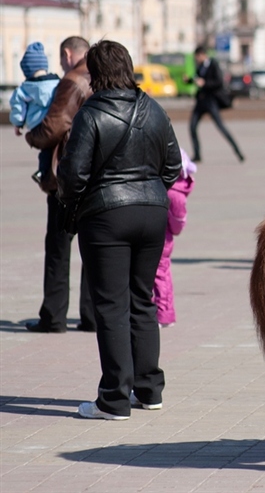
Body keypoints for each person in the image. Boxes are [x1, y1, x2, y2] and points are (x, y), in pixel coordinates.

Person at [57, 40, 181, 420]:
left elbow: (73, 174)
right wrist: (147, 187)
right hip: (152, 212)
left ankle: (113, 398)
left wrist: (73, 205)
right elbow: (174, 166)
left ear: (95, 73)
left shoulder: (91, 114)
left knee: (111, 305)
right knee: (142, 300)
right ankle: (149, 390)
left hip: (106, 216)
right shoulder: (154, 109)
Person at [24, 36, 94, 334]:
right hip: (98, 174)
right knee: (93, 246)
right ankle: (92, 316)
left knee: (58, 246)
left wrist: (31, 135)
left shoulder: (73, 79)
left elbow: (55, 125)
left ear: (67, 54)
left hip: (69, 175)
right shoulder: (103, 75)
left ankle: (54, 316)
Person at [153, 149, 196, 329]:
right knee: (161, 275)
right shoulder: (176, 189)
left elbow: (178, 222)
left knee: (158, 276)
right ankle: (164, 313)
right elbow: (178, 222)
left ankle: (162, 314)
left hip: (160, 238)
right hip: (164, 237)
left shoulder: (172, 190)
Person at [10, 42, 60, 184]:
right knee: (53, 148)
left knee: (44, 150)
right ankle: (51, 170)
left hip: (36, 125)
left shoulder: (25, 88)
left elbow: (18, 107)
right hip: (53, 123)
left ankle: (42, 171)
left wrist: (18, 123)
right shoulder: (57, 83)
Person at [188, 45, 243, 163]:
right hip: (200, 102)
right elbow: (198, 80)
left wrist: (205, 83)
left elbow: (218, 82)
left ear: (202, 55)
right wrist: (189, 80)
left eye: (197, 57)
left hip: (211, 101)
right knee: (192, 127)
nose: (196, 60)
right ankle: (197, 154)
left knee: (221, 127)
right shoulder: (200, 66)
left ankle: (238, 151)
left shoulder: (213, 64)